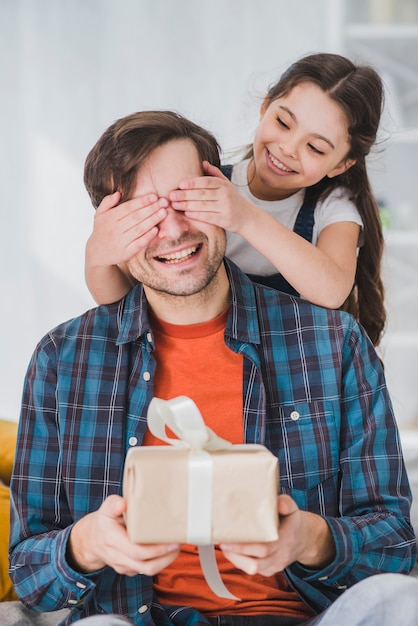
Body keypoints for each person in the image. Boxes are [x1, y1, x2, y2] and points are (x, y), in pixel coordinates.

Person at [8, 110, 418, 626]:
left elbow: (397, 544)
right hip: (133, 618)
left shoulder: (330, 342)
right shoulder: (62, 359)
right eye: (144, 214)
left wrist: (311, 538)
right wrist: (85, 545)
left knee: (404, 604)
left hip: (302, 618)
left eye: (188, 201)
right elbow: (28, 571)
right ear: (110, 231)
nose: (174, 230)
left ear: (222, 194)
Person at [84, 53, 386, 347]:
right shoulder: (211, 179)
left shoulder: (334, 206)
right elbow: (120, 296)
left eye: (316, 148)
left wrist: (246, 217)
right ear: (266, 106)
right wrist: (98, 255)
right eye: (283, 122)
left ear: (341, 164)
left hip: (285, 361)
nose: (289, 148)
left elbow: (332, 291)